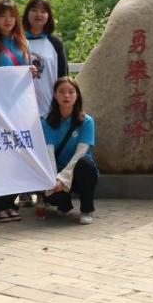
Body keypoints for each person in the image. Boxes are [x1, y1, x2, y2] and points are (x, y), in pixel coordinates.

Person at [0, 0, 35, 223]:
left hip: (19, 108)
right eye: (3, 15)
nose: (8, 20)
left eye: (12, 16)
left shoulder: (22, 44)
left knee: (15, 156)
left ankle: (10, 202)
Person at [22, 0, 70, 209]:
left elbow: (63, 76)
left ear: (49, 16)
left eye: (43, 11)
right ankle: (23, 191)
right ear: (27, 14)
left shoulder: (55, 43)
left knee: (46, 152)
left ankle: (43, 193)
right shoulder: (17, 41)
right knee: (24, 150)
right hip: (21, 108)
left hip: (48, 107)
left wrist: (62, 104)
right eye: (34, 10)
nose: (38, 14)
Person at [41, 77, 99, 224]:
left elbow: (80, 153)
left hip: (79, 172)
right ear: (55, 95)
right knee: (52, 191)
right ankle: (63, 204)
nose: (66, 95)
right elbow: (48, 154)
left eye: (71, 92)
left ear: (77, 95)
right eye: (61, 91)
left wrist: (63, 179)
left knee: (85, 164)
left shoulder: (87, 121)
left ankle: (86, 210)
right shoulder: (45, 122)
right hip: (57, 171)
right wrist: (53, 180)